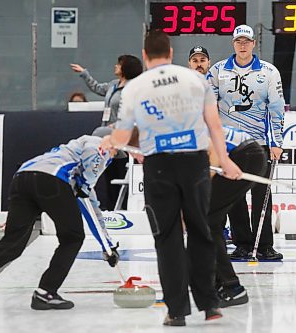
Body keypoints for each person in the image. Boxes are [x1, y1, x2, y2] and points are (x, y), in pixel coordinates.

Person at [101, 30, 241, 326]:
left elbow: (124, 135)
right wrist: (225, 159)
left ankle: (177, 311)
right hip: (195, 163)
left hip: (159, 165)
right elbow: (214, 125)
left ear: (145, 54)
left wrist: (110, 141)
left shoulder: (135, 87)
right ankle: (210, 304)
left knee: (167, 238)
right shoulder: (195, 80)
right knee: (200, 231)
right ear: (172, 52)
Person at [0, 134, 120, 311]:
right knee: (73, 237)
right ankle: (46, 292)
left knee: (13, 242)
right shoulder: (97, 145)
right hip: (50, 180)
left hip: (22, 177)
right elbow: (93, 162)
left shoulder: (67, 158)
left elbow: (91, 206)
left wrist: (107, 247)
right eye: (116, 152)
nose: (113, 156)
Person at [207, 24, 285, 260]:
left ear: (253, 44)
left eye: (246, 41)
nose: (242, 45)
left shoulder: (269, 72)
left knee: (262, 194)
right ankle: (242, 244)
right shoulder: (218, 70)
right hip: (229, 144)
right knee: (234, 195)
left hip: (259, 143)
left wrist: (276, 142)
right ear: (233, 43)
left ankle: (264, 245)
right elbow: (209, 107)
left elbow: (276, 109)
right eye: (238, 41)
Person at [71, 56, 143, 211]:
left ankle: (123, 210)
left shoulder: (133, 89)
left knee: (119, 173)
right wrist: (84, 73)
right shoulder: (113, 85)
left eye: (119, 64)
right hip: (106, 137)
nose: (115, 66)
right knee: (107, 175)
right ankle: (112, 210)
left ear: (126, 68)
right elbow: (97, 88)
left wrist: (118, 124)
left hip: (121, 137)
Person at [208, 125, 266, 307]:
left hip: (244, 154)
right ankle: (219, 284)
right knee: (210, 222)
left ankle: (232, 287)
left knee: (206, 222)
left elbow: (211, 151)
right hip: (244, 152)